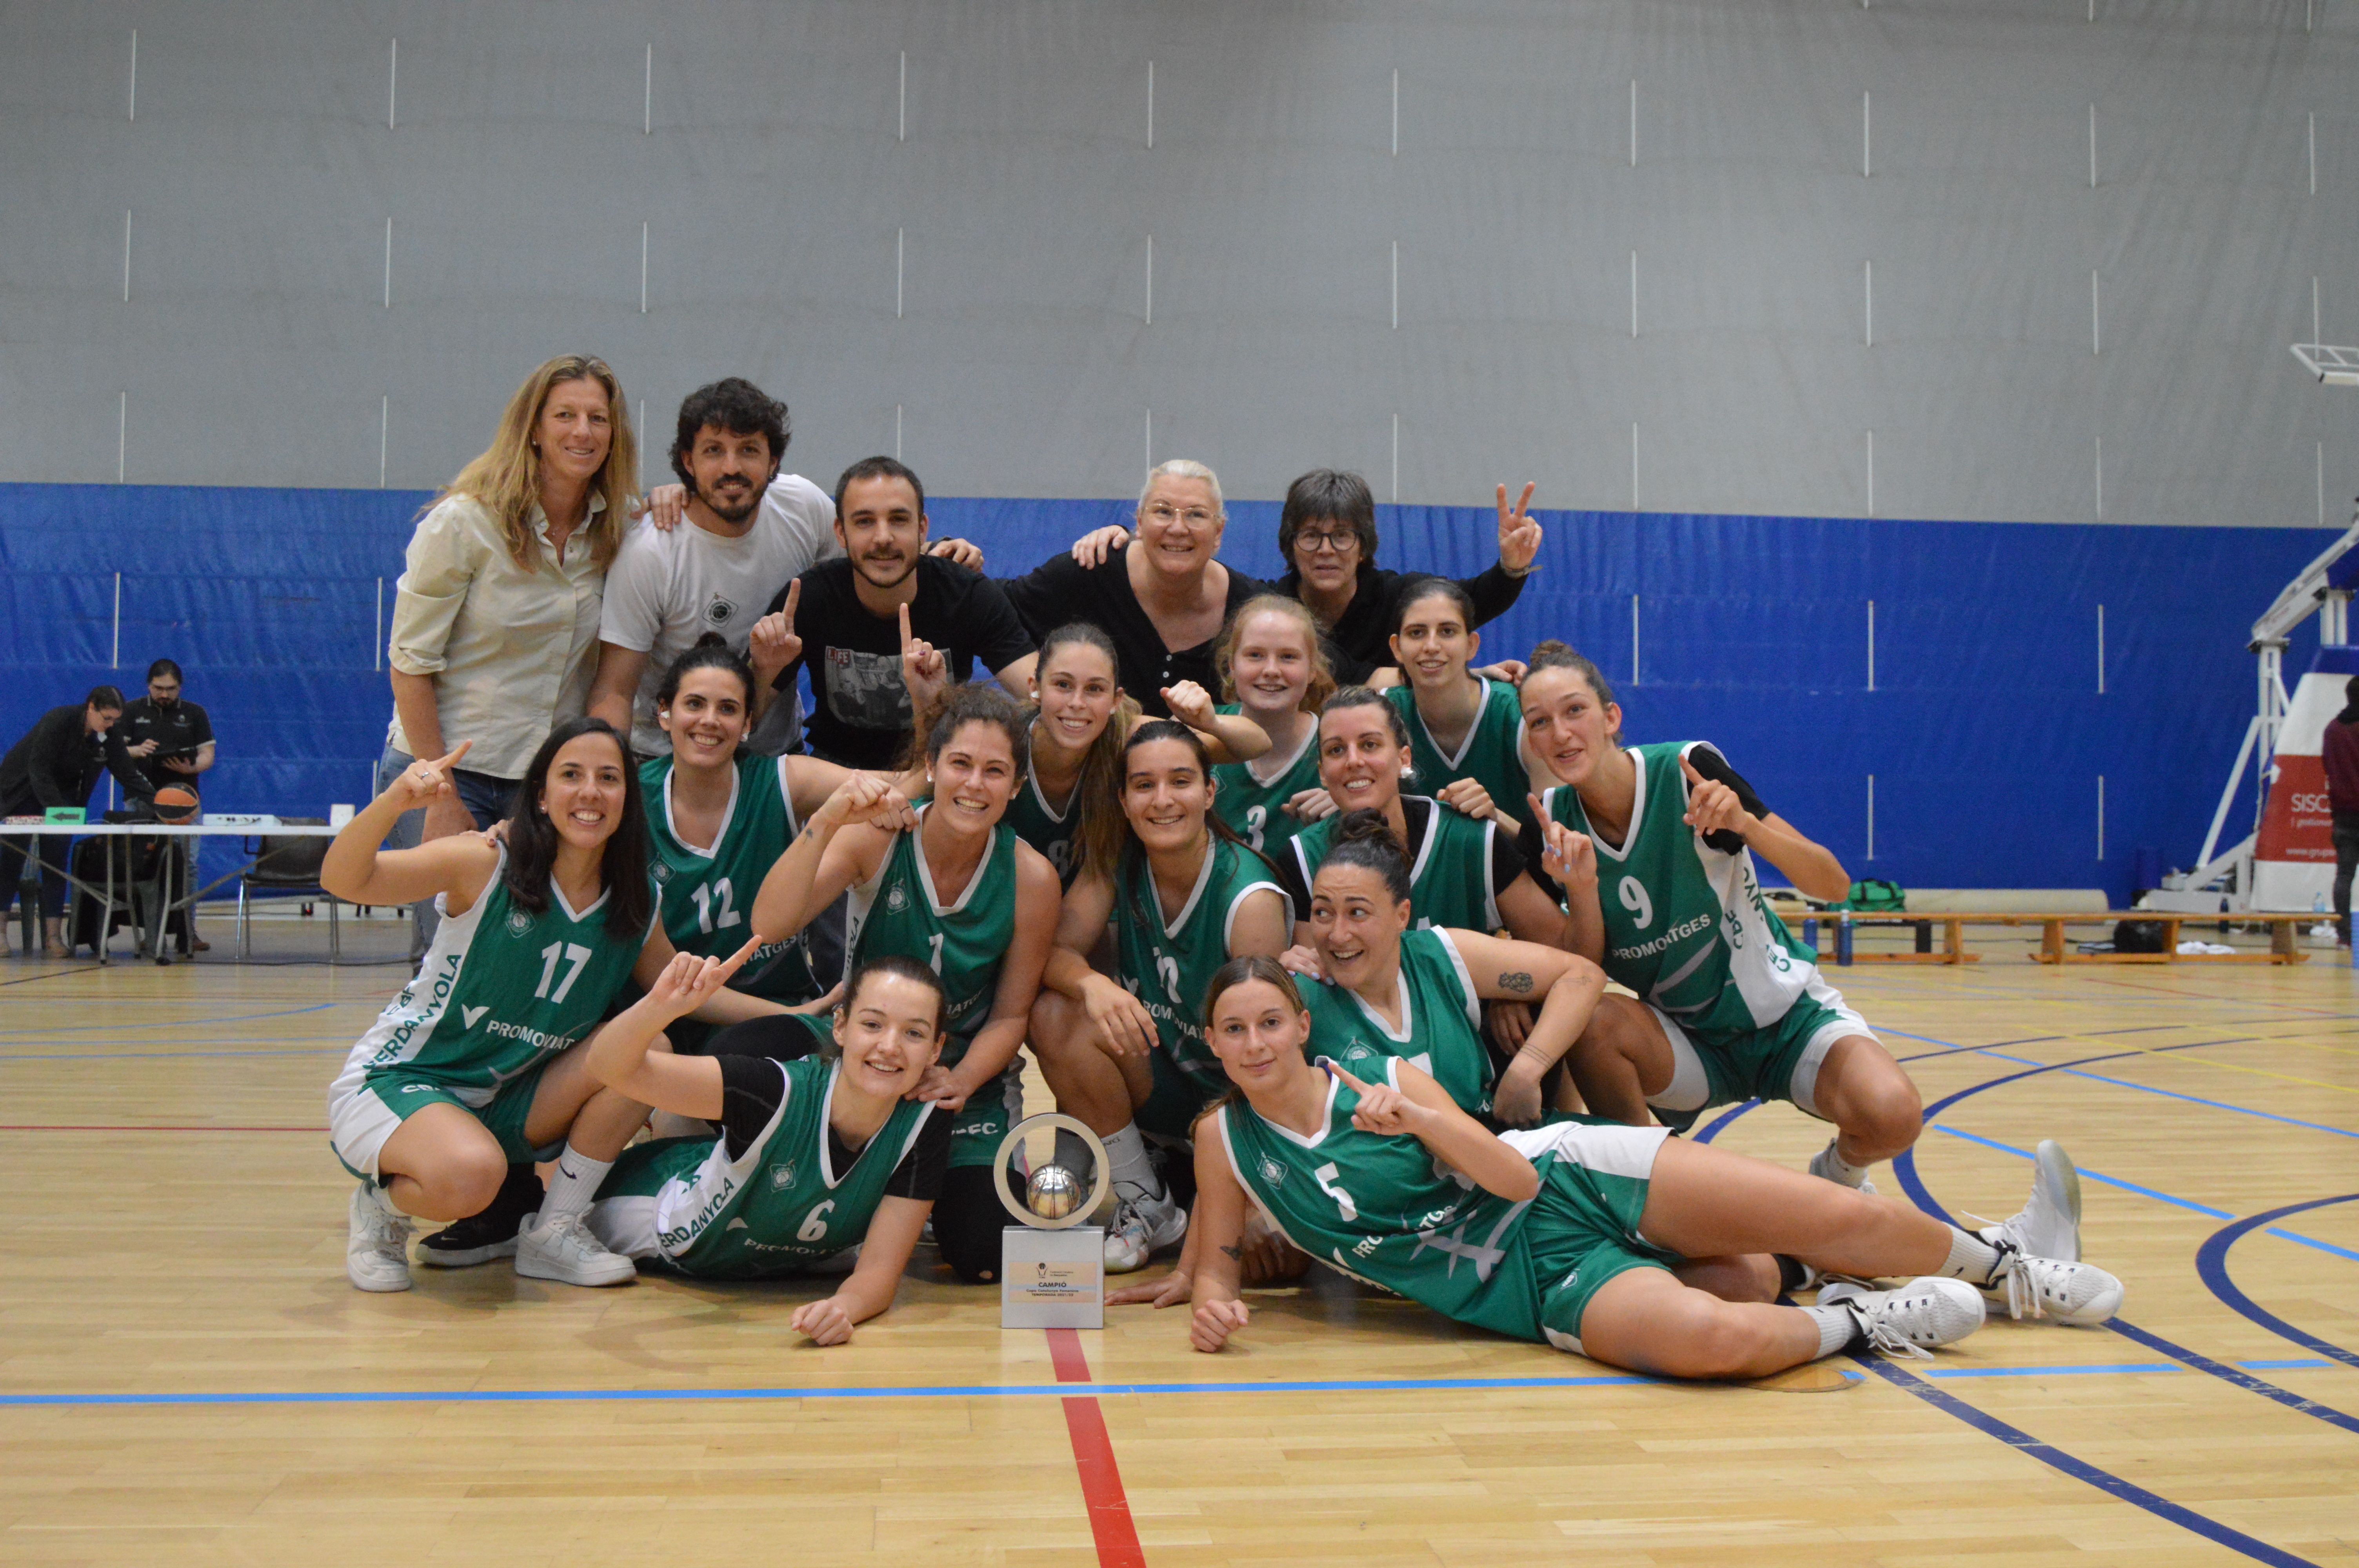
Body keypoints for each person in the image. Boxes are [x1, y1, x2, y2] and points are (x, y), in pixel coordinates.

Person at [1141, 958, 2121, 1375]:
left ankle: (2010, 1265)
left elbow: (1513, 1179)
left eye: (1271, 1020)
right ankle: (1863, 1319)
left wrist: (1422, 1122)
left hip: (1570, 1172)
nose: (1255, 1041)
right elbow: (1219, 1253)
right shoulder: (1223, 1138)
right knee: (1712, 1337)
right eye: (1234, 1029)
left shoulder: (1381, 1078)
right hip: (1524, 1281)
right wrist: (1211, 1300)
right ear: (1214, 1044)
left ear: (1301, 1023)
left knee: (1822, 1214)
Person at [322, 717, 799, 1294]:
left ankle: (556, 1230)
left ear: (629, 797)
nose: (591, 792)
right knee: (474, 1175)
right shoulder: (484, 862)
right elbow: (346, 879)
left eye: (609, 778)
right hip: (401, 1080)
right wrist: (397, 800)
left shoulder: (635, 900)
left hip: (507, 1098)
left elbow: (686, 994)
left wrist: (802, 1016)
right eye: (571, 775)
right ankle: (382, 1209)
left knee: (646, 1046)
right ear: (542, 797)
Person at [1516, 641, 1923, 1194]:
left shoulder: (1689, 772)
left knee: (1894, 1115)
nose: (1560, 733)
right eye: (1540, 722)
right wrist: (1582, 891)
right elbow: (1583, 975)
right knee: (1591, 1022)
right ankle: (1658, 1191)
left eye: (1574, 711)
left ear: (1611, 717)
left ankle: (1840, 1175)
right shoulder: (1550, 826)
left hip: (1785, 1020)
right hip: (1690, 1044)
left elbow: (1833, 885)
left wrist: (1748, 826)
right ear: (1531, 740)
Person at [743, 686, 1060, 1283]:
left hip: (956, 1072)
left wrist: (960, 1078)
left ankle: (916, 1184)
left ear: (1017, 787)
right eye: (961, 764)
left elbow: (1011, 1016)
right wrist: (830, 818)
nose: (974, 784)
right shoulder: (878, 837)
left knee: (985, 1254)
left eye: (996, 772)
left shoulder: (1032, 878)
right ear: (933, 767)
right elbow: (770, 924)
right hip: (859, 1059)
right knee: (736, 1054)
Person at [380, 355, 640, 958]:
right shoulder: (463, 523)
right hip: (450, 771)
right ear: (534, 428)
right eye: (565, 416)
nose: (583, 432)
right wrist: (438, 791)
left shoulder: (616, 532)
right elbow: (409, 664)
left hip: (544, 785)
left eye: (597, 418)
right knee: (450, 957)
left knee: (528, 961)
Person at [1028, 720, 1293, 1270]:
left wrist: (1254, 1186)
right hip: (1162, 1079)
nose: (1163, 800)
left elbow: (1271, 1057)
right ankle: (1145, 1199)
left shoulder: (1249, 900)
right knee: (1054, 1012)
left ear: (1210, 791)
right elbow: (1053, 952)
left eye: (1181, 781)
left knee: (1275, 1264)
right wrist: (1093, 985)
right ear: (1123, 800)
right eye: (1144, 785)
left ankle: (1210, 1185)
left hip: (1232, 1105)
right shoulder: (1117, 860)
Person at [578, 949, 950, 1340]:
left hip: (774, 1259)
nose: (890, 1046)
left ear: (936, 1049)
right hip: (652, 1212)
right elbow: (607, 1066)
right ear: (840, 1026)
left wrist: (842, 1308)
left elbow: (878, 1274)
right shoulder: (772, 1090)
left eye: (913, 1033)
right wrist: (660, 1005)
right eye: (873, 1024)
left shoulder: (926, 1117)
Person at [1068, 471, 1541, 685]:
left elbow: (1472, 601)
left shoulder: (1399, 595)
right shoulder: (1263, 607)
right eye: (1311, 536)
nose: (1326, 551)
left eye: (1342, 536)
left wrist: (1511, 567)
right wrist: (1127, 543)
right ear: (1289, 543)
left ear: (1365, 544)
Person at [1287, 813, 1604, 1126]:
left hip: (1498, 1149)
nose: (1338, 934)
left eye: (1357, 912)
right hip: (1393, 1172)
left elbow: (1583, 975)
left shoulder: (1439, 954)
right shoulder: (1297, 995)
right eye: (1322, 912)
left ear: (1402, 916)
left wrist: (1527, 1069)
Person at [584, 378, 836, 761]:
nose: (731, 468)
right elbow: (614, 692)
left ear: (774, 462)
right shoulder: (650, 552)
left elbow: (879, 559)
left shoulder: (804, 506)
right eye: (714, 451)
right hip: (663, 759)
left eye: (749, 450)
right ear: (689, 461)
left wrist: (949, 550)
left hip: (773, 756)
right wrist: (613, 780)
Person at [751, 457, 1036, 769]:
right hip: (837, 773)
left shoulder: (969, 595)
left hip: (938, 770)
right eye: (864, 522)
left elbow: (1039, 695)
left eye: (899, 520)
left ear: (922, 528)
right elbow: (741, 718)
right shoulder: (807, 598)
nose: (883, 537)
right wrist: (763, 673)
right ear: (841, 532)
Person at [1273, 688, 1568, 949]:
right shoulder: (1302, 857)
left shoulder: (1469, 837)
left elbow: (1561, 949)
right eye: (1336, 750)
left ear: (1404, 759)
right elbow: (1319, 980)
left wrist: (1514, 987)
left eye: (1370, 745)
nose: (1354, 761)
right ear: (1323, 772)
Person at [1002, 460, 1269, 719]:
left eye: (1196, 515)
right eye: (1163, 511)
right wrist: (1045, 697)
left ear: (1219, 532)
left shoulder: (1251, 609)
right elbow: (992, 609)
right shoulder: (1092, 570)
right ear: (1140, 523)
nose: (1178, 528)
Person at [0, 686, 148, 958]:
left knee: (56, 863)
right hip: (23, 791)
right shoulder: (58, 720)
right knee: (11, 859)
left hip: (64, 795)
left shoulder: (108, 735)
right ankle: (0, 935)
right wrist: (60, 813)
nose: (111, 725)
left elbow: (129, 774)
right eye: (106, 718)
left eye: (115, 719)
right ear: (90, 708)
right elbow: (39, 769)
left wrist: (160, 800)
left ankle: (53, 937)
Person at [1381, 578, 1535, 834]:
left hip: (1517, 872)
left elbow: (1559, 853)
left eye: (1448, 632)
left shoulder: (1520, 714)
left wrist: (1497, 819)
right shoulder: (1382, 713)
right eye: (1417, 633)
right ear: (1397, 648)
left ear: (1472, 645)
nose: (1431, 646)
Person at [1002, 622, 1140, 887]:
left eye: (1094, 689)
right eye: (1063, 685)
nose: (1077, 703)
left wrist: (1211, 723)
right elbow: (914, 792)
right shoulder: (1000, 742)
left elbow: (1243, 743)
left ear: (1116, 700)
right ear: (1036, 688)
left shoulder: (1126, 739)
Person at [1207, 597, 1336, 857]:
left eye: (1288, 657)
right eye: (1255, 655)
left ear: (1313, 669)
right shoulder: (1201, 731)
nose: (1271, 670)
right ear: (1232, 665)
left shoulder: (1340, 744)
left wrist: (1350, 807)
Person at [116, 658, 216, 953]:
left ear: (180, 688)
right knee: (148, 867)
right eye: (159, 688)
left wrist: (192, 768)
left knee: (189, 865)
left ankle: (187, 930)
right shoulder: (132, 711)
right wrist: (136, 750)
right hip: (142, 799)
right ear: (149, 685)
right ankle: (152, 931)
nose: (165, 694)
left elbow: (207, 755)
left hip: (184, 800)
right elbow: (115, 752)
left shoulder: (195, 713)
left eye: (171, 689)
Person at [2328, 674, 2359, 947]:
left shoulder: (2332, 730)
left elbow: (2328, 766)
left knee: (2344, 875)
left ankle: (2345, 935)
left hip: (2344, 814)